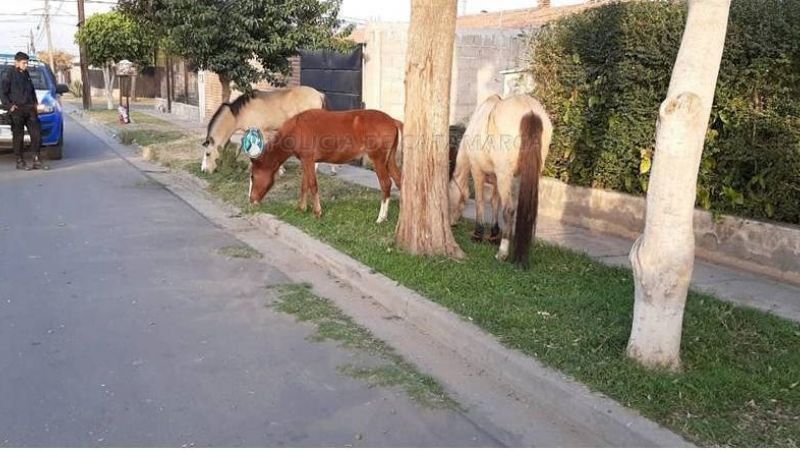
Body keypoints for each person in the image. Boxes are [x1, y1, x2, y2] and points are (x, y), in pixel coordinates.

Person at [1, 52, 48, 170]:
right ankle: (19, 161)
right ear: (16, 62)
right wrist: (9, 106)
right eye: (24, 63)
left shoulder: (26, 73)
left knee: (36, 134)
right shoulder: (9, 74)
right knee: (18, 136)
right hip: (17, 110)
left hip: (30, 109)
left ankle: (36, 159)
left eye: (26, 63)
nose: (26, 65)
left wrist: (36, 104)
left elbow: (31, 90)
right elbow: (3, 92)